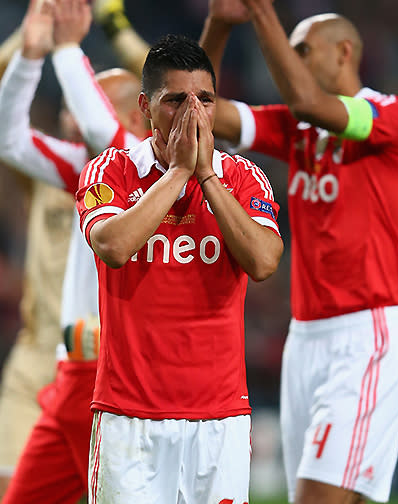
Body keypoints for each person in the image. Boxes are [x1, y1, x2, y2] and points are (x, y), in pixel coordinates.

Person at [200, 0, 398, 504]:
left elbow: (313, 102)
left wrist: (262, 6)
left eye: (302, 51)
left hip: (367, 333)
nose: (288, 64)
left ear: (344, 52)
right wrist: (221, 22)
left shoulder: (387, 117)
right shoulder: (297, 131)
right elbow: (204, 114)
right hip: (305, 334)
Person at [76, 34, 283, 504]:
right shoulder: (110, 171)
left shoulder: (241, 176)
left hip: (221, 419)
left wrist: (206, 175)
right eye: (176, 101)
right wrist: (178, 173)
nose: (193, 114)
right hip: (130, 420)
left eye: (204, 100)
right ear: (146, 107)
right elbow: (114, 246)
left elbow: (265, 260)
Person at [0, 0, 148, 504]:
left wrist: (67, 49)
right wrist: (29, 57)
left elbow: (97, 127)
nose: (75, 109)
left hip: (119, 381)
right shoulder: (86, 170)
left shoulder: (143, 170)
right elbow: (9, 140)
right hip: (68, 372)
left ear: (138, 118)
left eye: (88, 92)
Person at [0, 0, 74, 497]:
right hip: (34, 357)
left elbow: (179, 88)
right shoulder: (49, 172)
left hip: (101, 365)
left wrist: (117, 29)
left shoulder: (146, 176)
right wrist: (32, 30)